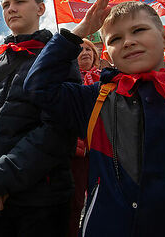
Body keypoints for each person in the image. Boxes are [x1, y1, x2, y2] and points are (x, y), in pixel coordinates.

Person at [24, 0, 165, 236]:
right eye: (115, 39)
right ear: (107, 55)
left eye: (139, 30)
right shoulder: (96, 100)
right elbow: (38, 87)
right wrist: (79, 32)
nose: (129, 41)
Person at [0, 0, 79, 237]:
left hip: (41, 198)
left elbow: (57, 130)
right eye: (6, 5)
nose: (11, 9)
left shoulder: (58, 56)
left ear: (40, 8)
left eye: (19, 2)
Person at [68, 38, 100, 237]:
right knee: (74, 202)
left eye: (89, 49)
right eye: (80, 49)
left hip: (103, 149)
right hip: (75, 151)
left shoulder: (107, 78)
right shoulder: (65, 80)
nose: (86, 52)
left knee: (101, 199)